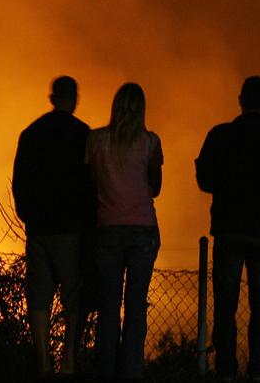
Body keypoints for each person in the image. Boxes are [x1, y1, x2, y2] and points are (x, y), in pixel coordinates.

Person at [195, 76, 260, 382]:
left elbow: (204, 180)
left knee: (225, 305)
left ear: (240, 100)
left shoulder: (220, 136)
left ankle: (226, 370)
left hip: (228, 230)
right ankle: (258, 370)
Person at [12, 75, 97, 377]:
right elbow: (91, 185)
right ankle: (69, 362)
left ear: (51, 98)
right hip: (71, 230)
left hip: (39, 229)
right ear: (74, 98)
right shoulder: (84, 135)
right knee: (74, 297)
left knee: (39, 298)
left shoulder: (31, 134)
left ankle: (43, 363)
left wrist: (29, 216)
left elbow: (19, 182)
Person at [85, 82, 163, 382]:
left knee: (107, 306)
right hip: (142, 230)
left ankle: (104, 371)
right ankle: (131, 371)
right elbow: (155, 187)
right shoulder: (150, 142)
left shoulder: (95, 140)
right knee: (135, 305)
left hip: (106, 229)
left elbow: (92, 183)